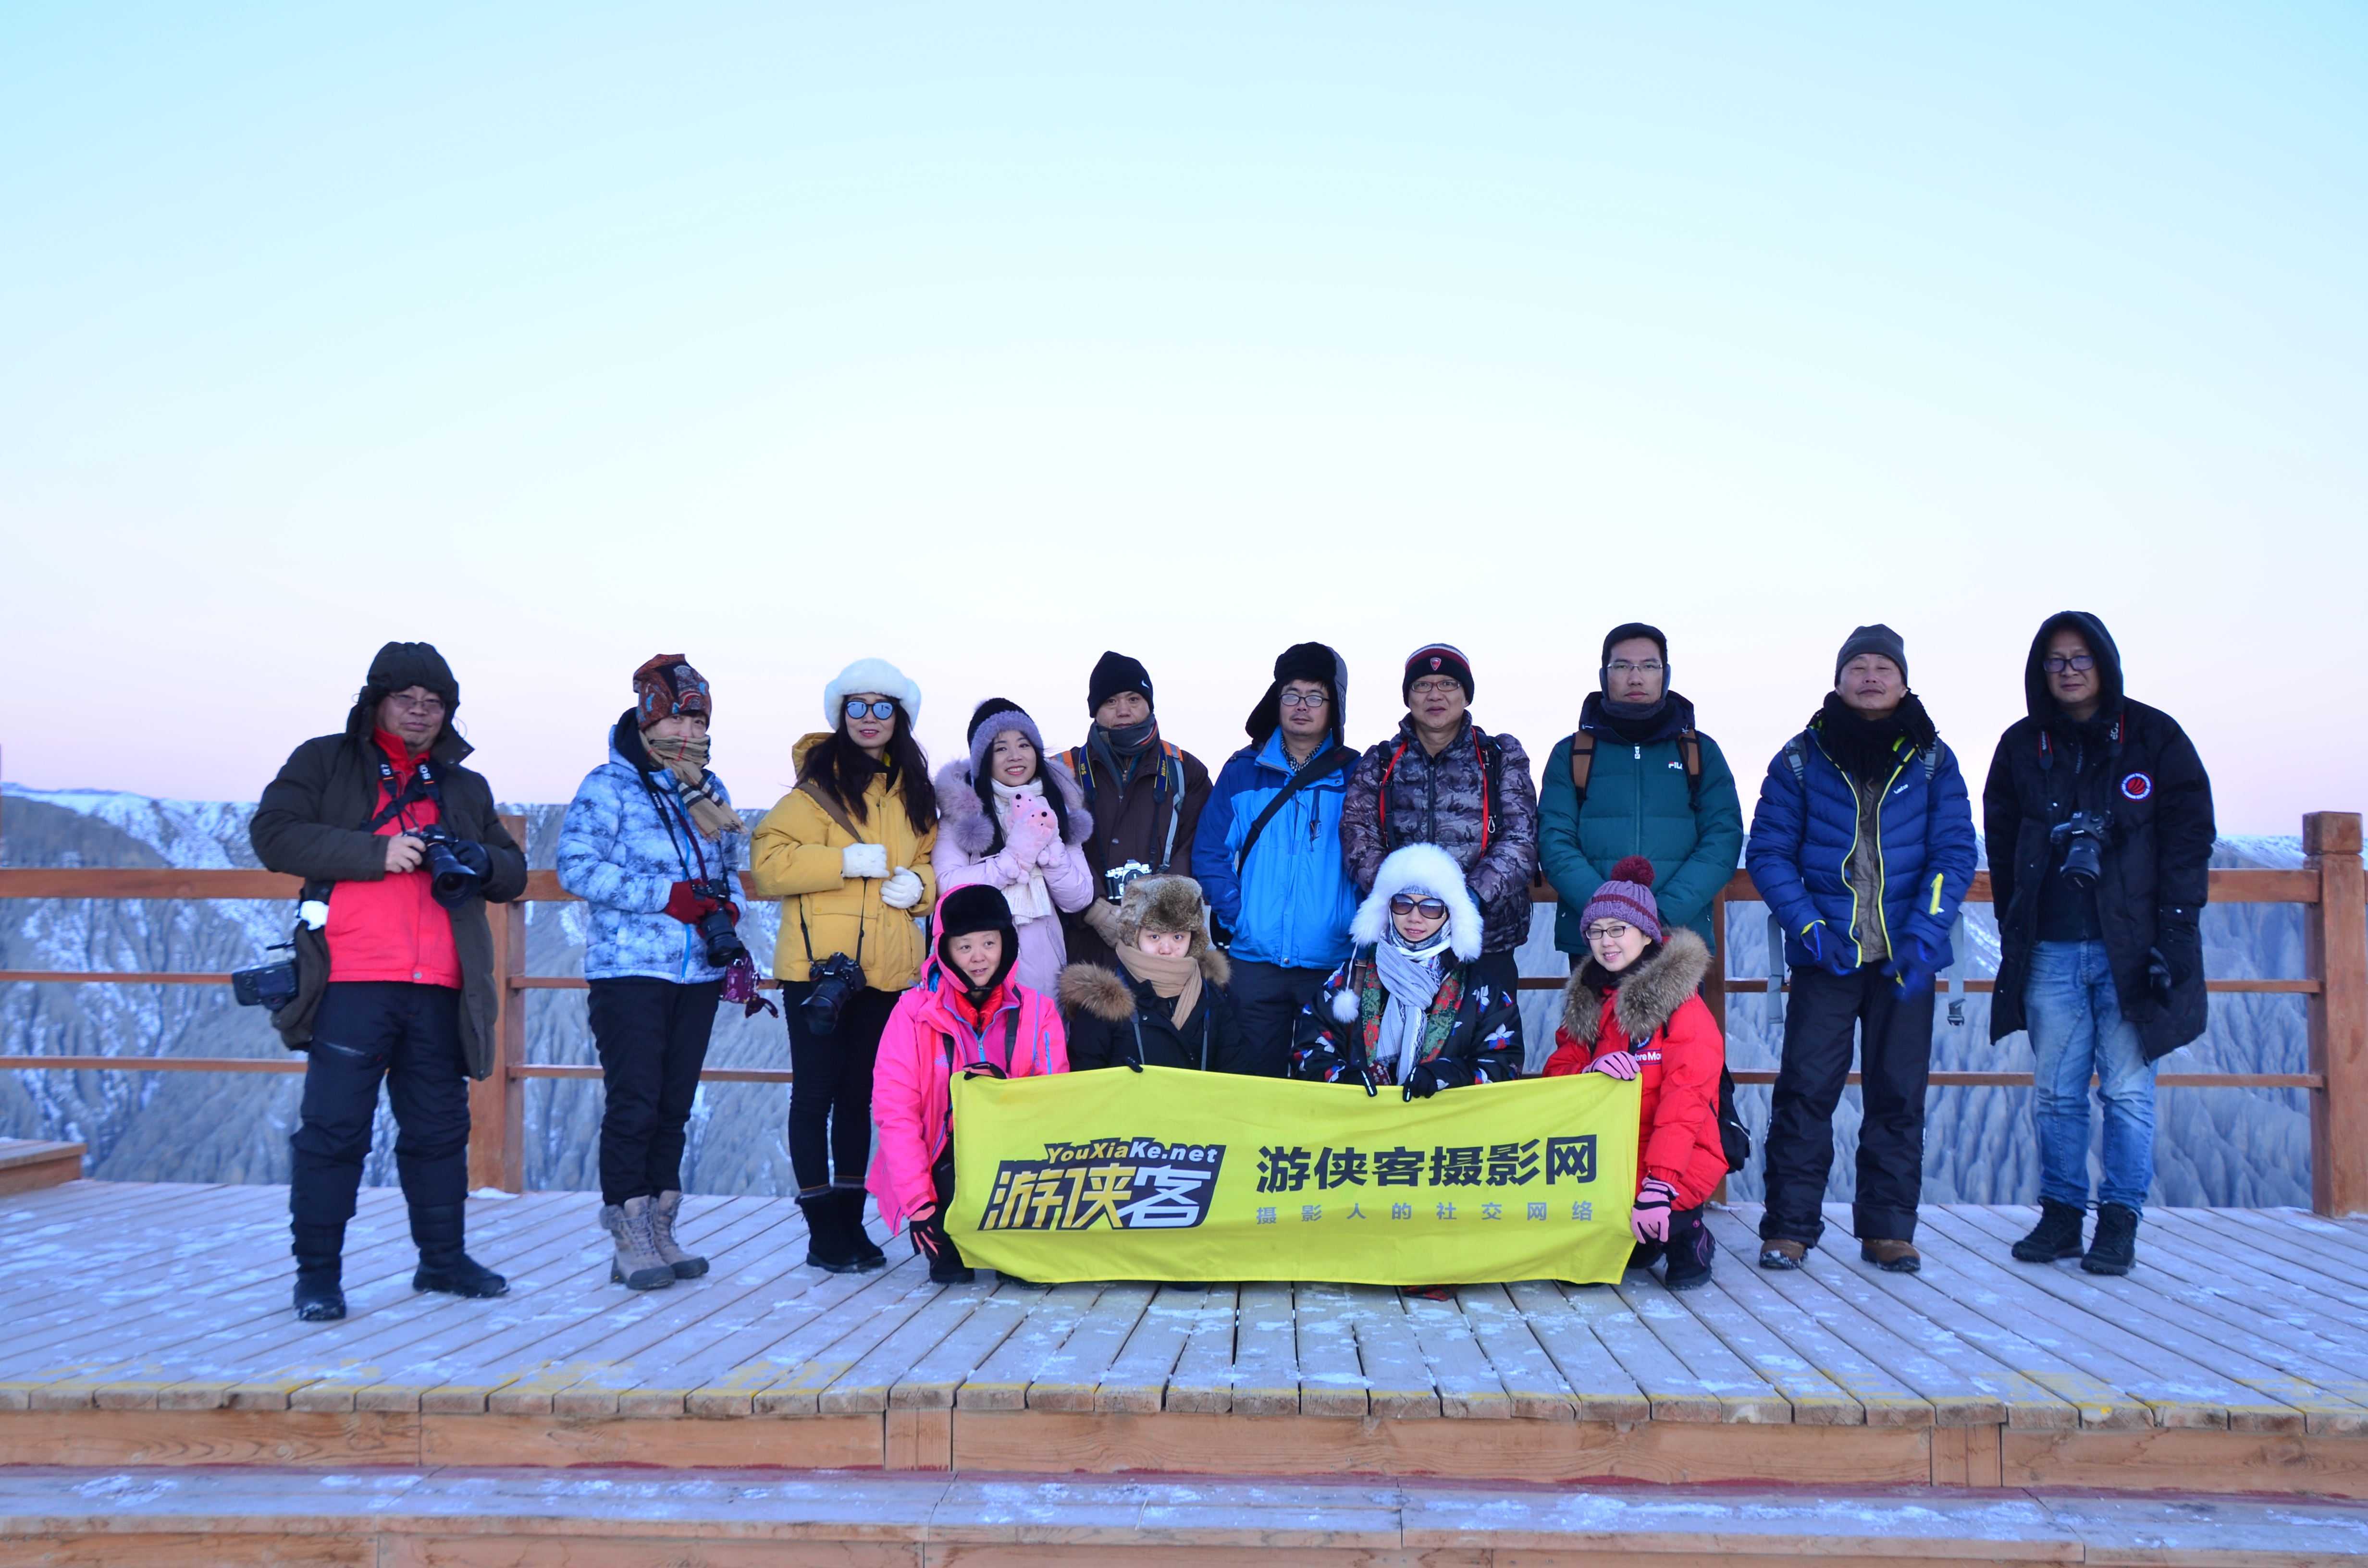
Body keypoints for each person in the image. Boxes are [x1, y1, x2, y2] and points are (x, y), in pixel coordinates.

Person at [250, 641, 528, 1322]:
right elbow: (274, 835)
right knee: (334, 1131)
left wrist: (478, 859)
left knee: (438, 1131)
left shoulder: (463, 786)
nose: (420, 712)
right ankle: (318, 1278)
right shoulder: (326, 761)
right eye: (406, 699)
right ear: (376, 701)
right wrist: (376, 853)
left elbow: (513, 873)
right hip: (351, 978)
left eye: (434, 703)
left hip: (441, 983)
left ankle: (443, 1261)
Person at [1984, 612, 2214, 1276]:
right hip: (2051, 944)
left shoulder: (2154, 737)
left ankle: (2118, 1221)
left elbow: (2189, 838)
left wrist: (2175, 931)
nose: (2068, 671)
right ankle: (2061, 1215)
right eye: (2055, 660)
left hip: (2131, 947)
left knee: (2127, 1091)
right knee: (2055, 1092)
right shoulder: (2023, 745)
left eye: (2080, 657)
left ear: (2104, 662)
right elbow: (2001, 841)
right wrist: (2014, 925)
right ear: (2040, 669)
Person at [1746, 625, 1977, 1274]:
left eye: (1884, 667)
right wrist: (1808, 928)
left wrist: (1925, 934)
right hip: (1827, 956)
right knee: (1805, 1092)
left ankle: (1888, 1231)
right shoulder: (1801, 758)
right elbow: (1768, 852)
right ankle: (1788, 1228)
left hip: (1906, 958)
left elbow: (1954, 851)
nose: (1871, 676)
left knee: (1898, 1096)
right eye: (1859, 666)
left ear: (1903, 682)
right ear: (1839, 679)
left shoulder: (1931, 760)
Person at [557, 655, 752, 1292]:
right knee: (635, 1101)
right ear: (647, 720)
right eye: (676, 719)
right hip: (629, 969)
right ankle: (629, 1233)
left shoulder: (709, 790)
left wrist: (727, 912)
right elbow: (576, 866)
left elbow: (727, 871)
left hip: (697, 971)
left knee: (673, 1105)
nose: (688, 732)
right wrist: (665, 896)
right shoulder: (609, 786)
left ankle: (663, 1226)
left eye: (698, 721)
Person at [748, 658, 937, 1275]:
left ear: (900, 717)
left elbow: (932, 858)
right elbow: (767, 863)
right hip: (817, 969)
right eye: (857, 706)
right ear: (840, 714)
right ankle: (821, 1230)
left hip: (886, 969)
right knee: (815, 1095)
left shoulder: (913, 792)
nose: (869, 718)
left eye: (882, 707)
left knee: (860, 1096)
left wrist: (922, 886)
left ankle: (852, 1225)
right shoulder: (815, 788)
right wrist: (842, 862)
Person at [1542, 858, 1728, 1291]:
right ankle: (1638, 1234)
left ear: (1647, 934)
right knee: (1620, 1257)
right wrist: (1590, 1071)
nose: (1605, 942)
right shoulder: (1589, 1000)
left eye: (1618, 929)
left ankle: (1691, 1236)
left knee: (1676, 1259)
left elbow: (1685, 1106)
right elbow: (1557, 1075)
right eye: (1595, 931)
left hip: (1678, 1153)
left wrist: (1659, 1187)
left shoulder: (1681, 1006)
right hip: (1610, 1154)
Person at [872, 884, 1069, 1283]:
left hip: (1015, 1167)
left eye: (989, 943)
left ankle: (1019, 1234)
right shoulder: (912, 1014)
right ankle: (949, 1227)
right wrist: (919, 1203)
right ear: (944, 950)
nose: (979, 957)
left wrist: (1000, 1093)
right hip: (942, 1167)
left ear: (1007, 944)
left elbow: (1055, 1106)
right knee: (951, 1271)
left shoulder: (1038, 1011)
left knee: (1024, 1275)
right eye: (964, 946)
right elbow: (897, 1112)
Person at [1192, 642, 1360, 1075]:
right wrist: (1239, 915)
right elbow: (1210, 852)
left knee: (1327, 1083)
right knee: (1252, 1082)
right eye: (1292, 694)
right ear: (1276, 699)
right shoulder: (1242, 771)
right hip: (1254, 963)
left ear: (1335, 706)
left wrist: (1353, 923)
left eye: (1315, 697)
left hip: (1331, 962)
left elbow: (1373, 859)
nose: (1302, 706)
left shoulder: (1357, 775)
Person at [1539, 623, 1744, 966]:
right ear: (1604, 676)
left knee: (1681, 1009)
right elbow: (1554, 841)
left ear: (1665, 675)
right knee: (1594, 1006)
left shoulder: (1699, 752)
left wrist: (1659, 913)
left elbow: (1722, 840)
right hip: (1597, 940)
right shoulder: (1572, 754)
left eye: (1649, 666)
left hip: (1679, 937)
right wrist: (1611, 914)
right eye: (1622, 666)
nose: (1636, 678)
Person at [1288, 843, 1523, 1095]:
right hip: (1361, 1118)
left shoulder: (1482, 991)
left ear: (1451, 915)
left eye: (1431, 907)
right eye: (1403, 903)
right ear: (1387, 908)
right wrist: (1344, 1078)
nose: (1414, 917)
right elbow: (1308, 1051)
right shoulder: (1349, 980)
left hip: (1445, 1120)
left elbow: (1504, 1063)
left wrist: (1446, 1076)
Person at [1055, 651, 1213, 974]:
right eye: (1111, 701)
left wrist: (1160, 912)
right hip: (1084, 944)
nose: (1123, 710)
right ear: (1095, 710)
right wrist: (1094, 910)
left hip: (1164, 945)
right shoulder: (1062, 772)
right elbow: (1051, 850)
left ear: (1149, 704)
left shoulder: (1185, 770)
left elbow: (1197, 845)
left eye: (1134, 699)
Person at [932, 698, 1097, 997]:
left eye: (1023, 744)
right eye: (1000, 748)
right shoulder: (963, 814)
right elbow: (947, 884)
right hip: (978, 967)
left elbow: (1078, 897)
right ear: (983, 759)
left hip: (1046, 965)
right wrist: (1013, 859)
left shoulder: (1057, 806)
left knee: (1041, 1027)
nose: (1015, 756)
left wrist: (1050, 848)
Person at [1060, 875, 1249, 1073]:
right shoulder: (1102, 1001)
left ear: (1193, 939)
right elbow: (1086, 1082)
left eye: (1178, 937)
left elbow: (1237, 1073)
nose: (1166, 949)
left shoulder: (1211, 996)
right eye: (1155, 936)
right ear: (1134, 936)